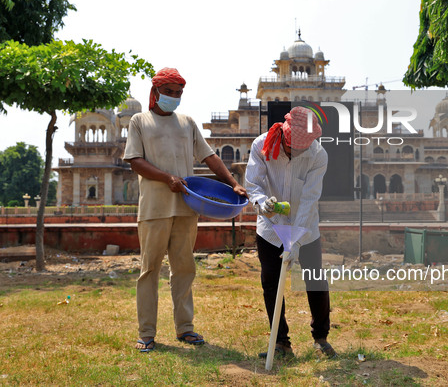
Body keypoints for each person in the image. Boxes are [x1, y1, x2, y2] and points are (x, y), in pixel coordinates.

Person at [124, 67, 247, 352]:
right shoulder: (139, 121)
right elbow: (135, 161)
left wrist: (233, 183)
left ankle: (185, 329)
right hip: (154, 207)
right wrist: (168, 178)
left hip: (186, 207)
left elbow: (209, 156)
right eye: (169, 93)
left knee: (184, 268)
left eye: (179, 93)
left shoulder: (187, 122)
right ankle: (146, 333)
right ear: (156, 92)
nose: (174, 97)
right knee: (150, 270)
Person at [245, 106, 336, 358]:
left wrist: (295, 242)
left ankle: (321, 338)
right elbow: (253, 184)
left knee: (315, 281)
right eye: (292, 148)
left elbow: (309, 199)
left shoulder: (318, 155)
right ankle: (281, 342)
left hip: (305, 227)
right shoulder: (262, 145)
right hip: (271, 229)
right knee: (271, 283)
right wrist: (263, 204)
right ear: (284, 136)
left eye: (302, 149)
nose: (296, 153)